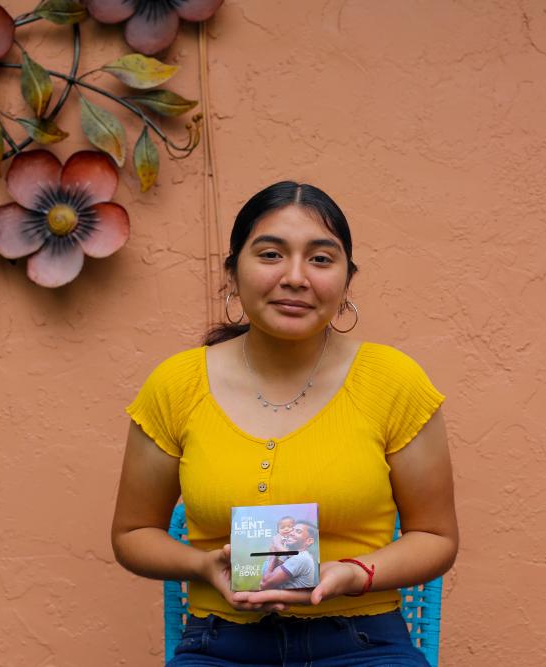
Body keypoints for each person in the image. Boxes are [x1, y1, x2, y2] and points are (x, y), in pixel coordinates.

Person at [111, 181, 458, 666]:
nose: (296, 277)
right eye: (271, 254)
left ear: (346, 281)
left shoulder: (393, 381)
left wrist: (354, 573)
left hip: (363, 643)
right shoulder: (176, 385)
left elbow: (436, 538)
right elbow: (132, 534)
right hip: (220, 645)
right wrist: (204, 566)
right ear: (231, 273)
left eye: (320, 258)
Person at [260, 521, 318, 590]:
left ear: (309, 541)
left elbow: (264, 584)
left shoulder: (302, 558)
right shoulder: (289, 556)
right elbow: (266, 575)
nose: (291, 533)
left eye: (298, 531)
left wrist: (276, 547)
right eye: (292, 530)